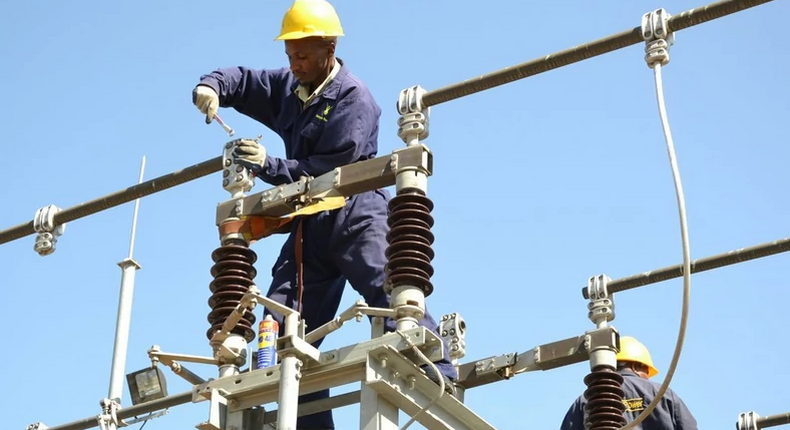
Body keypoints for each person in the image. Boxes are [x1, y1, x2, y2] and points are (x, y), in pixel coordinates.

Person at [192, 1, 457, 428]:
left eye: (303, 55)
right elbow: (243, 81)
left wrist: (267, 165)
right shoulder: (289, 85)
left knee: (392, 298)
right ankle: (308, 420)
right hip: (308, 226)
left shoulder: (354, 98)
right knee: (284, 330)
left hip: (354, 212)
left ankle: (440, 377)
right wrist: (211, 87)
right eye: (290, 54)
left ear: (329, 48)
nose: (294, 63)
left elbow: (332, 172)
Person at [560, 336, 698, 430]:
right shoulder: (663, 394)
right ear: (636, 366)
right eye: (647, 372)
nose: (647, 379)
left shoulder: (587, 399)